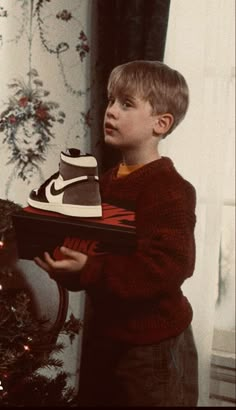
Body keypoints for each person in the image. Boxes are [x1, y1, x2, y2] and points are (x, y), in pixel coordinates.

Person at [34, 60, 199, 407]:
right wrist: (70, 267)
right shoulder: (103, 182)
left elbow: (168, 267)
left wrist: (89, 269)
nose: (111, 111)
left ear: (161, 123)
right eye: (111, 101)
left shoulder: (170, 189)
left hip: (154, 347)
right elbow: (96, 255)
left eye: (127, 104)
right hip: (107, 338)